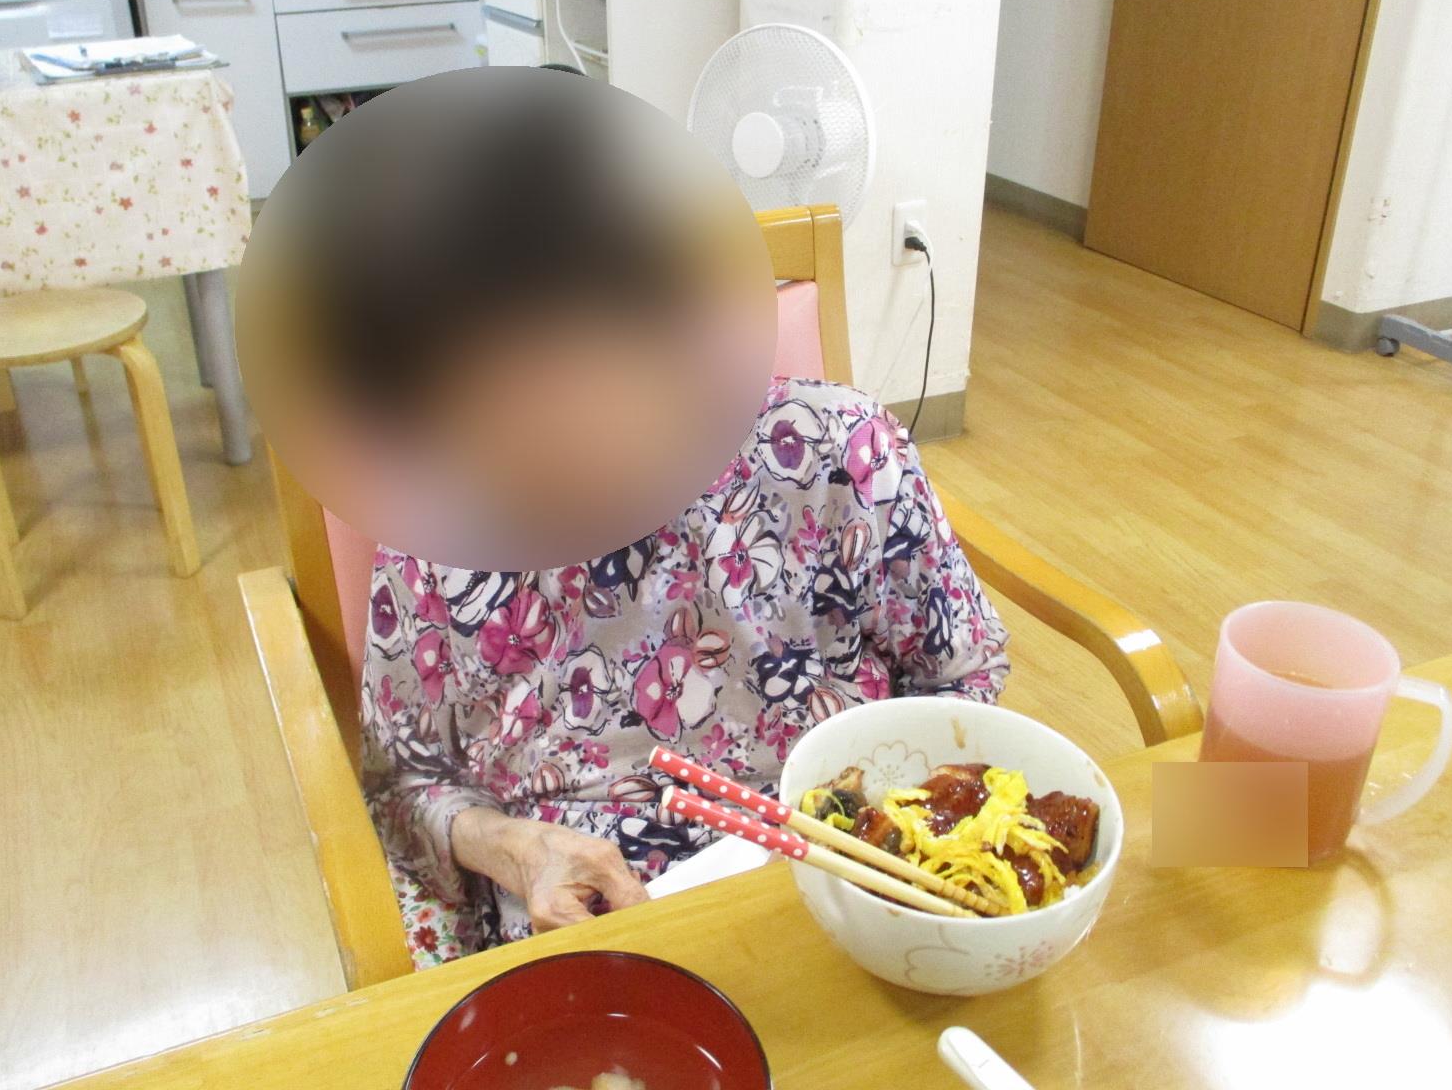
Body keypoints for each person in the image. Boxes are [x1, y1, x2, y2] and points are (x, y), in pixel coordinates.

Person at [361, 377, 1009, 966]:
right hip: (573, 906)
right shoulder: (436, 506)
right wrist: (517, 850)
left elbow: (960, 675)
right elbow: (403, 782)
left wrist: (887, 820)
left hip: (846, 858)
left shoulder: (832, 443)